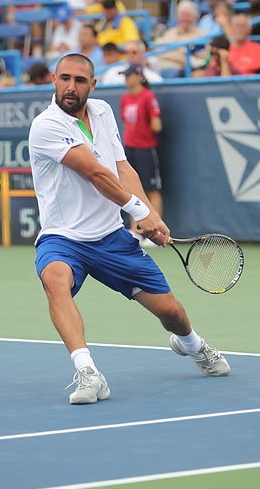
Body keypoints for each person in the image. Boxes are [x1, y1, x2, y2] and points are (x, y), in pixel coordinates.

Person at [28, 53, 231, 405]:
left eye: (79, 80)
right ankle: (89, 372)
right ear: (53, 80)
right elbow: (95, 173)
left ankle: (193, 344)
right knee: (55, 281)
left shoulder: (103, 112)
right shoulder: (46, 125)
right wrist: (139, 211)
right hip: (63, 238)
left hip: (111, 238)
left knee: (170, 312)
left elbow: (122, 169)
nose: (71, 87)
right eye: (64, 78)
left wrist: (150, 216)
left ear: (93, 85)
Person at [119, 62, 163, 247]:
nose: (126, 79)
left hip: (146, 148)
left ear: (138, 76)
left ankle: (157, 231)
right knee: (131, 191)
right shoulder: (125, 98)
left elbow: (157, 125)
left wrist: (144, 130)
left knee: (151, 189)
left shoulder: (147, 96)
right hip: (129, 148)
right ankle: (135, 230)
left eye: (129, 75)